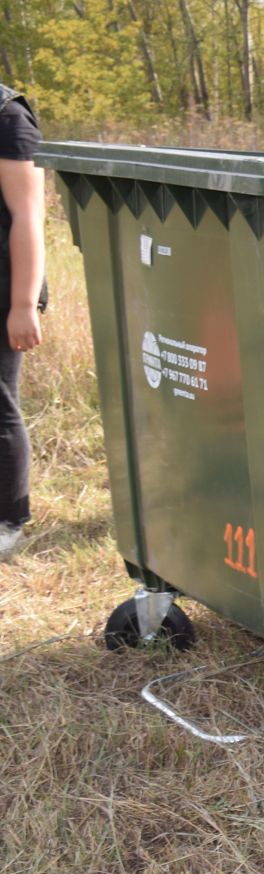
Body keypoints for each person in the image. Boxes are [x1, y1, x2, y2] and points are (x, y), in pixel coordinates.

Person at [0, 80, 43, 560]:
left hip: (5, 288)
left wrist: (23, 304)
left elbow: (28, 215)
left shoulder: (7, 115)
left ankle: (9, 521)